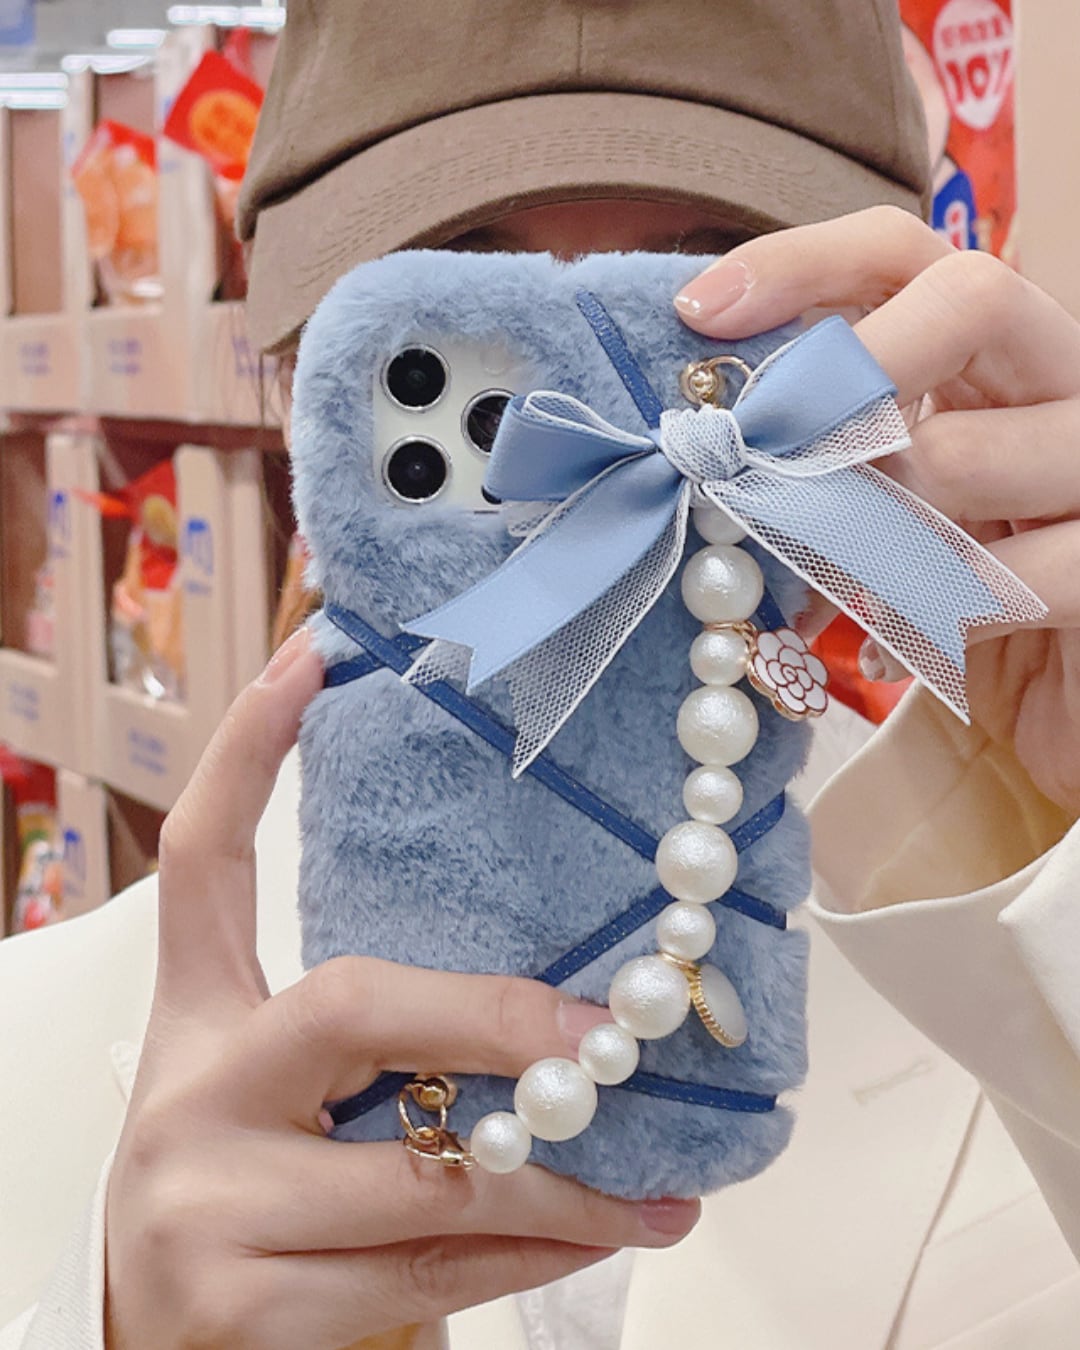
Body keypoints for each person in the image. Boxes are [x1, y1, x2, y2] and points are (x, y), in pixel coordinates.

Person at [3, 1, 1080, 1346]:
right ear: (295, 372)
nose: (596, 420)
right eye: (468, 287)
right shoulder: (27, 1051)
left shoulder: (1025, 959)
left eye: (705, 276)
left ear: (891, 354)